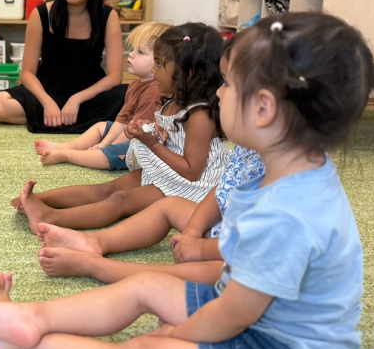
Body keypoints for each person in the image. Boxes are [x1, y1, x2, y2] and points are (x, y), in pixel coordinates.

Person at [0, 12, 374, 349]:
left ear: (264, 108)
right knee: (145, 286)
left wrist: (179, 334)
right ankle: (31, 318)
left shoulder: (286, 215)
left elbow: (235, 314)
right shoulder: (280, 169)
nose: (218, 92)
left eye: (228, 84)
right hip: (257, 318)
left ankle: (20, 346)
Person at [37, 40, 267, 283]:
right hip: (207, 213)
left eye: (228, 83)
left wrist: (200, 248)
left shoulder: (280, 172)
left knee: (172, 277)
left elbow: (255, 243)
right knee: (149, 201)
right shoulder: (248, 148)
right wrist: (193, 231)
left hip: (235, 244)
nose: (219, 91)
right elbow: (223, 190)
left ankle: (95, 265)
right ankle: (90, 239)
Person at [12, 22, 228, 234]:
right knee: (106, 189)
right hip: (166, 170)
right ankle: (38, 199)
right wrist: (149, 129)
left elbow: (192, 171)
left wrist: (152, 143)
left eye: (159, 64)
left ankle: (49, 217)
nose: (153, 69)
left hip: (189, 186)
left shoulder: (200, 116)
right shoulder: (172, 99)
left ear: (187, 74)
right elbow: (172, 134)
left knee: (119, 200)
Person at [0, 0, 127, 134]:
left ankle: (55, 118)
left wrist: (76, 99)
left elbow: (115, 77)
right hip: (47, 89)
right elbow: (27, 73)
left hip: (90, 94)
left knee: (132, 96)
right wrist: (47, 102)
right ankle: (68, 118)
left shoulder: (108, 16)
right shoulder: (41, 14)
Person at [34, 21, 170, 169]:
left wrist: (108, 147)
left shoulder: (153, 91)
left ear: (160, 62)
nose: (131, 54)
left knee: (111, 153)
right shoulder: (135, 85)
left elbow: (136, 132)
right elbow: (122, 121)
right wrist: (105, 143)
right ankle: (66, 147)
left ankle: (66, 155)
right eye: (133, 49)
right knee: (100, 127)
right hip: (131, 132)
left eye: (141, 52)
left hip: (145, 143)